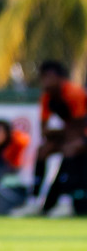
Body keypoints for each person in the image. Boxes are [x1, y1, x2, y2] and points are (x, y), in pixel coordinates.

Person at [23, 60, 87, 215]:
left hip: (82, 134)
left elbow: (79, 126)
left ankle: (65, 202)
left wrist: (58, 133)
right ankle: (33, 202)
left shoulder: (74, 93)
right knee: (43, 150)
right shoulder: (47, 97)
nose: (45, 81)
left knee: (70, 149)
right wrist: (59, 134)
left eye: (49, 77)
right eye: (43, 77)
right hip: (69, 135)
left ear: (60, 78)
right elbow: (45, 130)